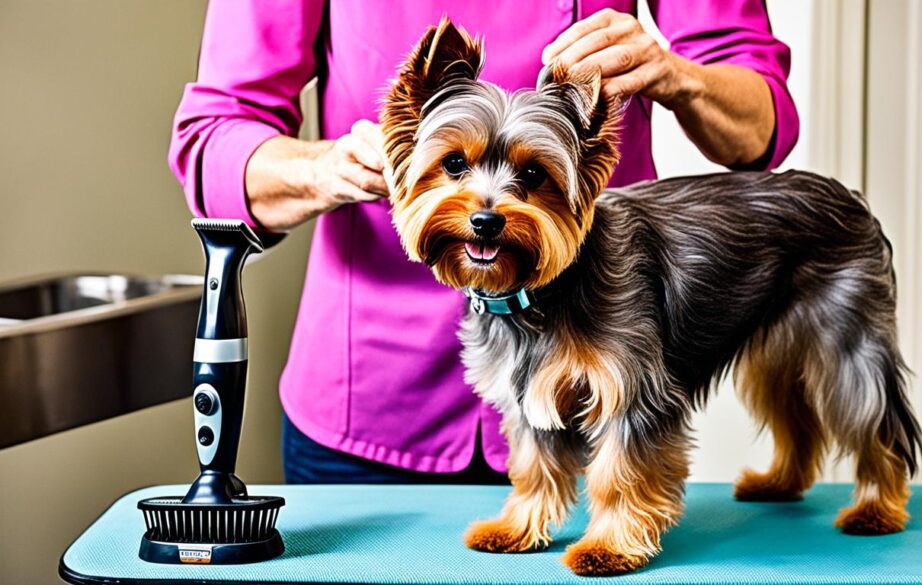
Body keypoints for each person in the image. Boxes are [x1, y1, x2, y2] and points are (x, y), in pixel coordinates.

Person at [169, 1, 799, 484]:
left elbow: (762, 123)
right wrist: (326, 168)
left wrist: (679, 77)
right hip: (373, 400)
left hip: (593, 379)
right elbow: (211, 143)